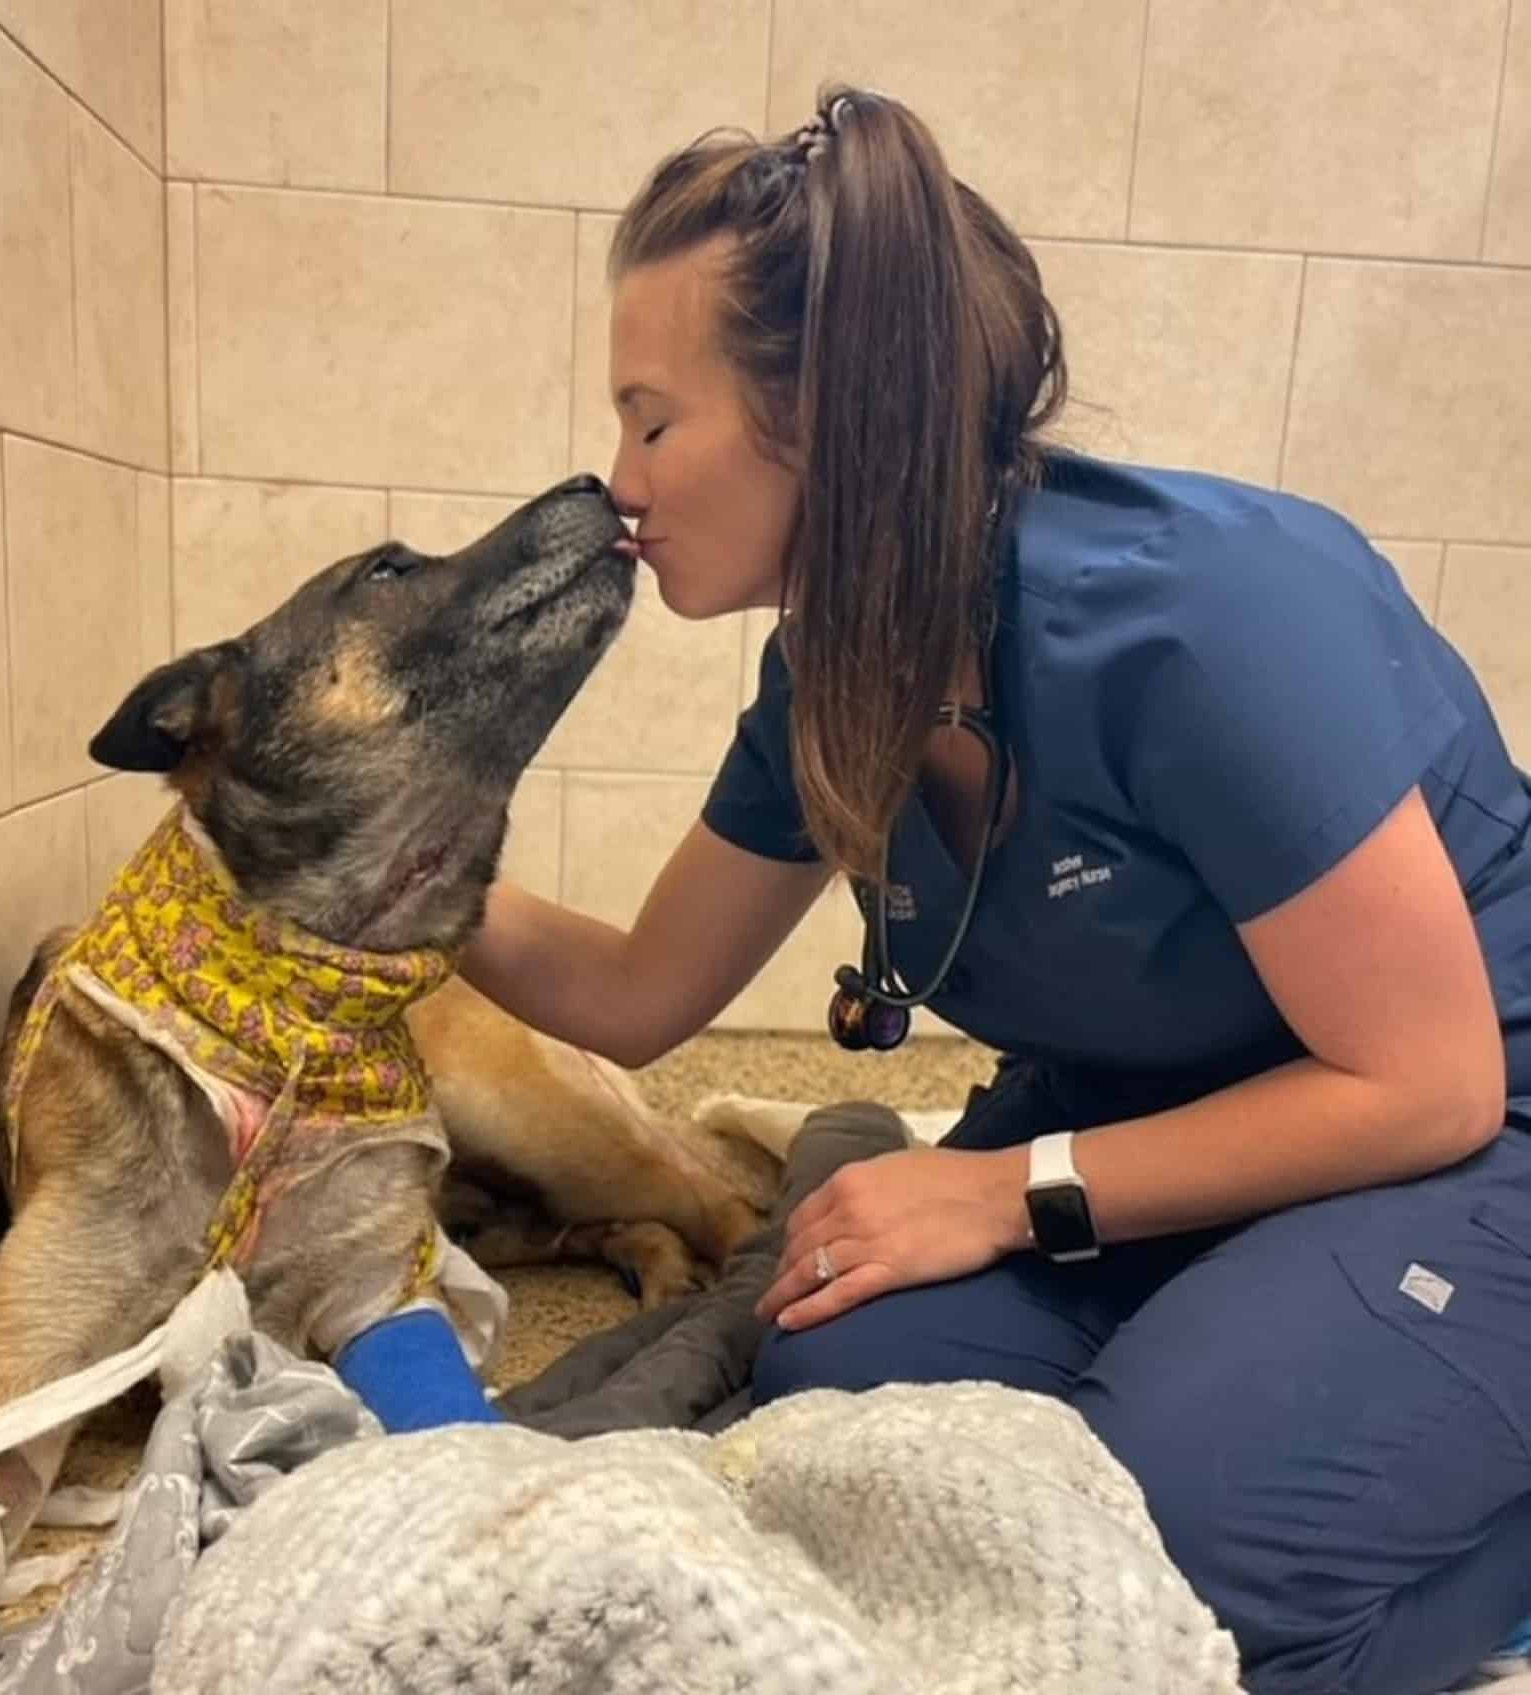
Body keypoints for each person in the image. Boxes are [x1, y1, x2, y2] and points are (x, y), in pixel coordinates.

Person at [456, 86, 1531, 1695]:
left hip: (1464, 1129)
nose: (622, 480)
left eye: (653, 419)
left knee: (1181, 1560)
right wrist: (379, 864)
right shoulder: (828, 674)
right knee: (842, 1395)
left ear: (822, 414)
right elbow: (637, 993)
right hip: (1159, 1125)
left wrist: (998, 1191)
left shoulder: (1206, 621)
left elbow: (1425, 1082)